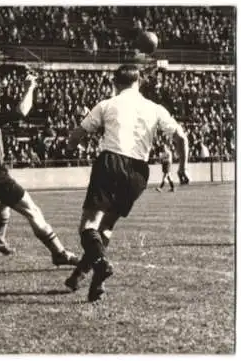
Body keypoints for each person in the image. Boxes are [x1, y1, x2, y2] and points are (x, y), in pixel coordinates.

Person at [65, 64, 189, 302]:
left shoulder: (107, 104)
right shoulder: (155, 108)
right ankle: (89, 281)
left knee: (88, 226)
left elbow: (79, 132)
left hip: (111, 161)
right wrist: (182, 169)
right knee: (107, 227)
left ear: (115, 83)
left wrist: (70, 146)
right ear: (139, 82)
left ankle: (99, 265)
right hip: (138, 172)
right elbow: (181, 137)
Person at [0, 74, 79, 267]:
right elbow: (21, 112)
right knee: (33, 211)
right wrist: (29, 87)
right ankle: (59, 252)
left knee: (6, 202)